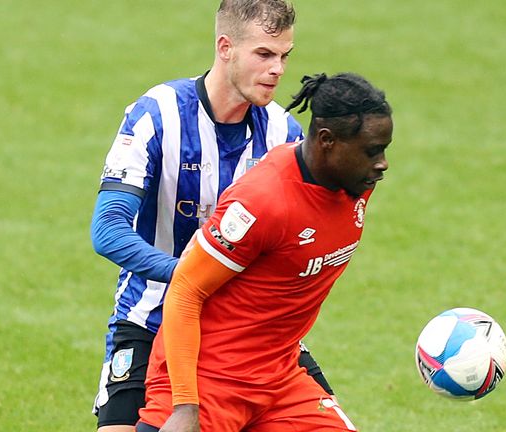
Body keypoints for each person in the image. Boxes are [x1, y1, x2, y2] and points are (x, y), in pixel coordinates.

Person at [90, 1, 334, 430]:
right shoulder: (157, 115)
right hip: (151, 319)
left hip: (248, 337)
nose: (278, 69)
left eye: (284, 56)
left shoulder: (285, 135)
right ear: (225, 47)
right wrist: (191, 274)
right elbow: (108, 231)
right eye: (264, 54)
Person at [136, 72, 393, 432]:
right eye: (372, 151)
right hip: (208, 380)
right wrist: (183, 406)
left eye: (384, 149)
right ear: (327, 141)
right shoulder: (264, 201)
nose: (382, 163)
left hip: (279, 380)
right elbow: (184, 290)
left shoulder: (355, 183)